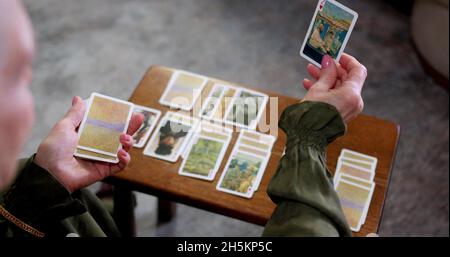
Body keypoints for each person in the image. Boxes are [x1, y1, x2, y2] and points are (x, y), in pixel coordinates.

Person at [0, 0, 367, 237]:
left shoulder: (17, 190)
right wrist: (311, 134)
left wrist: (43, 184)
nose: (32, 102)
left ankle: (112, 201)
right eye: (18, 76)